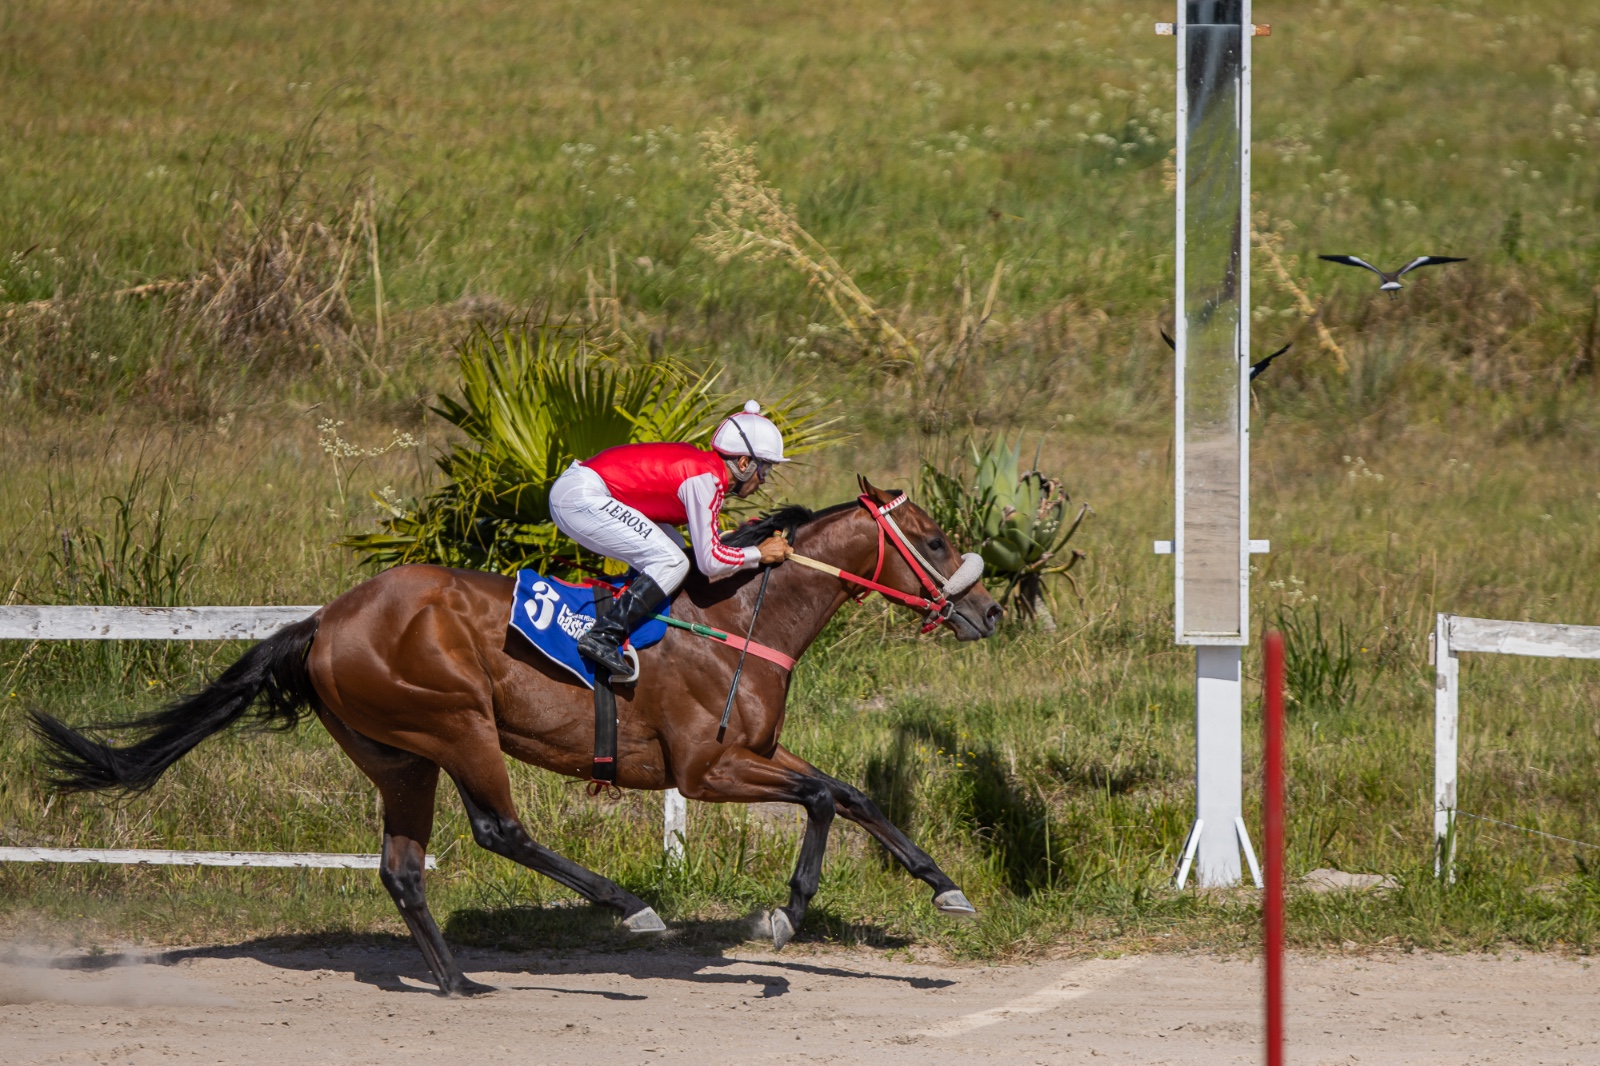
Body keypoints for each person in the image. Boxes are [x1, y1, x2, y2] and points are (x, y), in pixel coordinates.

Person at [547, 401, 793, 676]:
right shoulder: (706, 480)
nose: (764, 480)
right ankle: (603, 636)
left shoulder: (706, 471)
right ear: (744, 463)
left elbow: (707, 546)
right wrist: (759, 553)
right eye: (765, 470)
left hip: (585, 491)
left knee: (676, 552)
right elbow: (710, 562)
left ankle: (629, 620)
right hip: (580, 497)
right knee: (673, 562)